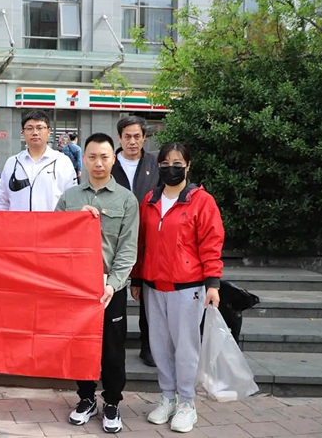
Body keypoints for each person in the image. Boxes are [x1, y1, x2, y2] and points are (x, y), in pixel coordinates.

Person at [130, 142, 224, 434]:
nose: (171, 168)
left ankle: (186, 403)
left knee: (185, 348)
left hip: (188, 287)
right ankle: (167, 397)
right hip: (153, 285)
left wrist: (213, 282)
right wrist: (136, 277)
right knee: (159, 346)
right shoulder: (150, 200)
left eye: (177, 163)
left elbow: (211, 242)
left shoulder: (201, 201)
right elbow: (141, 242)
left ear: (188, 166)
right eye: (165, 163)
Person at [56, 133, 139, 434]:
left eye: (104, 157)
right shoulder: (70, 198)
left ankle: (113, 401)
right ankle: (86, 398)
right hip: (77, 287)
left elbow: (128, 249)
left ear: (113, 159)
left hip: (110, 289)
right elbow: (54, 236)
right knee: (81, 346)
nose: (98, 163)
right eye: (92, 157)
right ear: (84, 159)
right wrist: (73, 220)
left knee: (113, 349)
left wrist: (113, 284)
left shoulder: (126, 200)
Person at [110, 116, 159, 368]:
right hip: (114, 238)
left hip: (148, 238)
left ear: (144, 137)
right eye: (127, 136)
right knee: (113, 290)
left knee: (148, 294)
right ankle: (111, 347)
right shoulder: (109, 163)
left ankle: (148, 345)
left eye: (137, 136)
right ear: (119, 138)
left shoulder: (154, 164)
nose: (132, 141)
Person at [0, 110, 76, 211]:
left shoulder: (63, 162)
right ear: (23, 133)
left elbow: (72, 200)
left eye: (39, 128)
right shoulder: (12, 162)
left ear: (48, 131)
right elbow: (1, 202)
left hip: (53, 221)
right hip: (17, 221)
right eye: (29, 128)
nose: (35, 132)